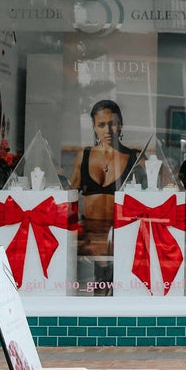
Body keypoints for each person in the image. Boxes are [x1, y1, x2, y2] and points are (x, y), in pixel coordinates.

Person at [70, 99, 138, 258]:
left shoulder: (134, 156)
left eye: (112, 123)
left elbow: (164, 186)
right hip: (88, 236)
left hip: (121, 234)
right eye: (101, 125)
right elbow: (70, 197)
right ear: (94, 128)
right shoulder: (84, 155)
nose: (108, 130)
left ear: (121, 124)